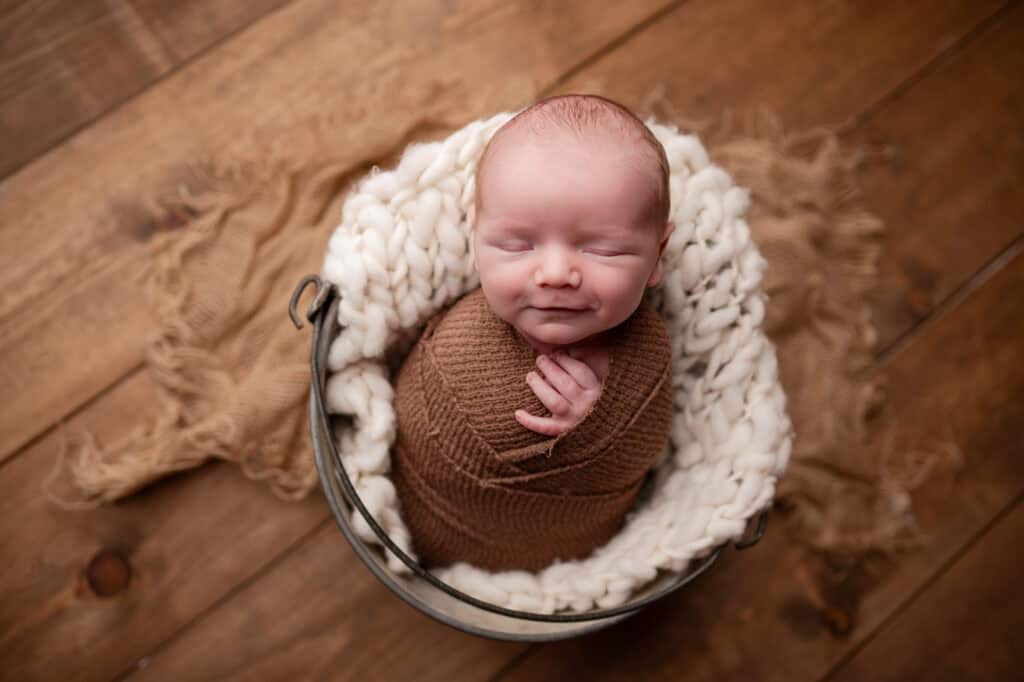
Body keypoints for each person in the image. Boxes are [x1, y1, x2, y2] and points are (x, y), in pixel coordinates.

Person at [391, 94, 677, 571]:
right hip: (438, 520)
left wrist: (598, 430)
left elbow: (649, 448)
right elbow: (411, 426)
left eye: (604, 250)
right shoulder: (456, 347)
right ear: (476, 238)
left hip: (571, 546)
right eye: (517, 245)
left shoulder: (647, 352)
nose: (556, 273)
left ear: (657, 253)